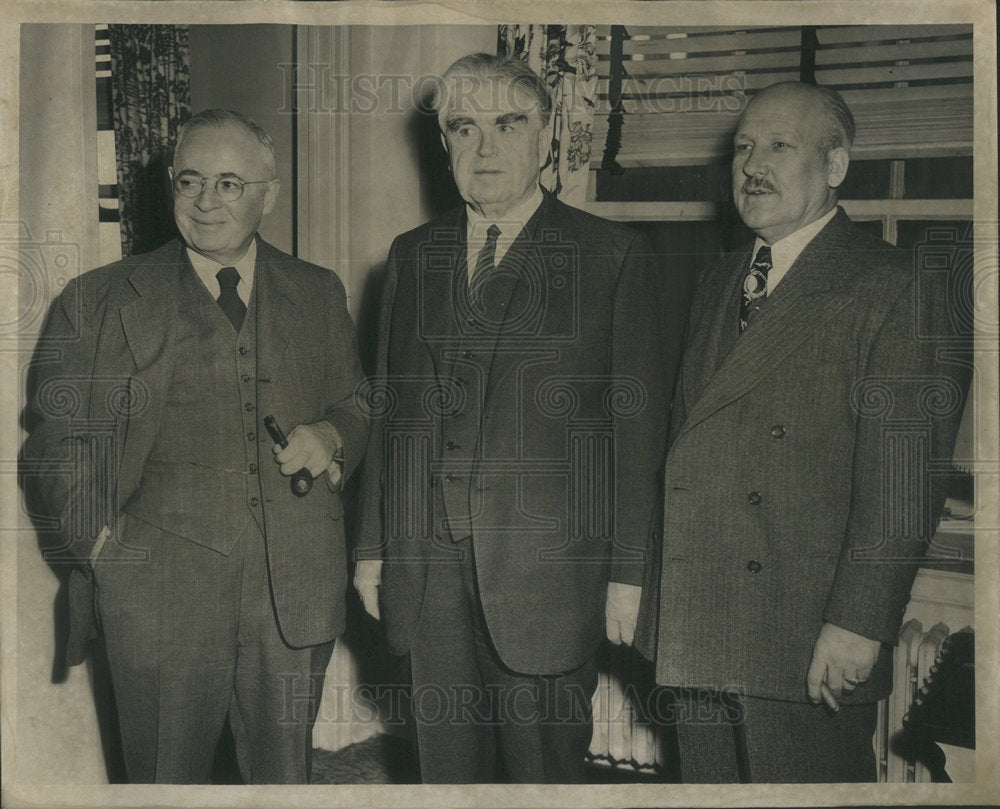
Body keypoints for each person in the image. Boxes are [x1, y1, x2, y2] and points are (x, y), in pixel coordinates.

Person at [632, 82, 972, 782]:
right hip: (700, 618)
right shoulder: (722, 278)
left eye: (780, 146)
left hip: (805, 629)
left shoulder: (895, 281)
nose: (753, 164)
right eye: (744, 148)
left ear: (837, 165)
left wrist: (861, 622)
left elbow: (904, 481)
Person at [354, 53, 674, 783]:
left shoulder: (611, 256)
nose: (486, 147)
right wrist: (371, 547)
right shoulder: (411, 257)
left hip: (547, 578)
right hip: (425, 569)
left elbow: (636, 433)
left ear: (547, 136)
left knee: (540, 779)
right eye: (465, 128)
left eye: (508, 124)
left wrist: (629, 573)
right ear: (445, 147)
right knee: (445, 772)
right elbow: (388, 410)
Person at [23, 109, 368, 783]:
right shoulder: (97, 302)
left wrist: (331, 434)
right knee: (164, 780)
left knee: (284, 781)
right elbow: (55, 442)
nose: (207, 200)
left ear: (267, 193)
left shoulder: (317, 292)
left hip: (292, 593)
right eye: (190, 181)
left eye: (230, 183)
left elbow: (356, 402)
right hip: (157, 601)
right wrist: (101, 548)